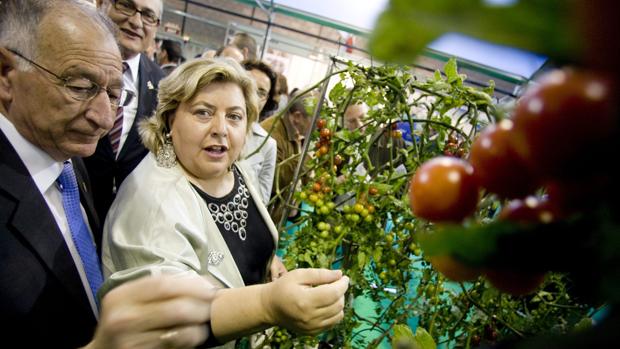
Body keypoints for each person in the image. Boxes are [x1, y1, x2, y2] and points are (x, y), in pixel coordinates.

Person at [0, 1, 218, 348]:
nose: (103, 119)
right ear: (6, 74)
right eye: (80, 86)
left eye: (115, 94)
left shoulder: (68, 159)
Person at [102, 58, 349, 347]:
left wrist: (268, 261)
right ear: (171, 118)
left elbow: (240, 241)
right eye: (203, 112)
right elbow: (158, 321)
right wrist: (268, 304)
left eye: (234, 116)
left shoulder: (232, 166)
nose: (221, 129)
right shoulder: (151, 203)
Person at [84, 0, 166, 222]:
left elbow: (164, 154)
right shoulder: (73, 62)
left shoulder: (164, 85)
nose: (136, 21)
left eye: (148, 15)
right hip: (70, 208)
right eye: (126, 5)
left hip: (128, 222)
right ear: (101, 4)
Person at [260, 90, 314, 226]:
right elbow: (271, 179)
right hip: (259, 219)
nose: (319, 127)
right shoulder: (271, 133)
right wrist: (305, 159)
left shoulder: (293, 132)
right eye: (315, 121)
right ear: (297, 116)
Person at [239, 60, 278, 205]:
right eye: (249, 87)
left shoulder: (267, 144)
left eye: (261, 93)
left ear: (266, 100)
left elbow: (261, 201)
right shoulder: (215, 126)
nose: (253, 97)